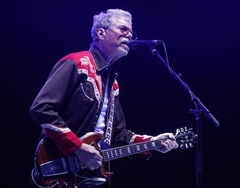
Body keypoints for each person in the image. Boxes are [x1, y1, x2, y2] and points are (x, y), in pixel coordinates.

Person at [29, 8, 179, 188]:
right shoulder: (76, 62)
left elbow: (119, 133)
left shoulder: (112, 82)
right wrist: (77, 147)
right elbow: (42, 108)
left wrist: (151, 142)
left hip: (90, 176)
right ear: (101, 33)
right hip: (58, 165)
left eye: (131, 32)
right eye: (123, 29)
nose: (130, 36)